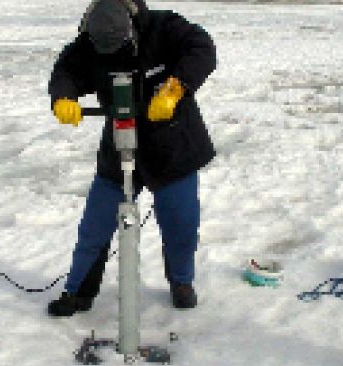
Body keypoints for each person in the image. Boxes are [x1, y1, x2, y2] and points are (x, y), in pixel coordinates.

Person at [47, 0, 216, 317]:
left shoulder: (163, 28)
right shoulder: (89, 43)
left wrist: (177, 86)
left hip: (172, 146)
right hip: (120, 144)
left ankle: (181, 283)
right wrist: (63, 97)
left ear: (131, 27)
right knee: (94, 226)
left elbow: (202, 47)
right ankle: (77, 291)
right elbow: (65, 71)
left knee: (180, 223)